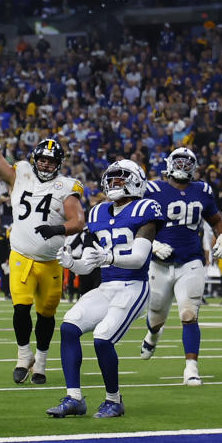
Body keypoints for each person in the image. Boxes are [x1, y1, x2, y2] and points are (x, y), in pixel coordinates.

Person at [0, 111, 86, 385]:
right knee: (21, 308)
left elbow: (78, 221)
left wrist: (57, 229)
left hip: (50, 260)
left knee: (46, 314)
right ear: (35, 160)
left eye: (51, 160)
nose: (46, 164)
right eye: (43, 159)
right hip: (21, 255)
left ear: (59, 164)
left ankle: (42, 361)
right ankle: (23, 355)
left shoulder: (66, 187)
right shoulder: (21, 174)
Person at [50, 160, 164, 418]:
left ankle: (114, 400)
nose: (113, 183)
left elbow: (138, 258)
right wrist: (71, 263)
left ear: (136, 180)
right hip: (107, 285)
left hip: (134, 286)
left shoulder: (145, 208)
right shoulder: (98, 212)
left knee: (102, 338)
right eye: (110, 179)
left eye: (120, 178)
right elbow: (88, 265)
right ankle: (74, 398)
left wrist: (109, 259)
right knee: (69, 327)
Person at [140, 148, 222, 386]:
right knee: (156, 316)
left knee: (189, 314)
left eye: (187, 162)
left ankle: (191, 368)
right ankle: (152, 335)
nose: (183, 166)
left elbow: (217, 219)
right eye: (178, 162)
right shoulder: (153, 190)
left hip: (191, 260)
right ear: (169, 164)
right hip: (159, 264)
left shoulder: (202, 190)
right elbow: (137, 222)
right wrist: (153, 244)